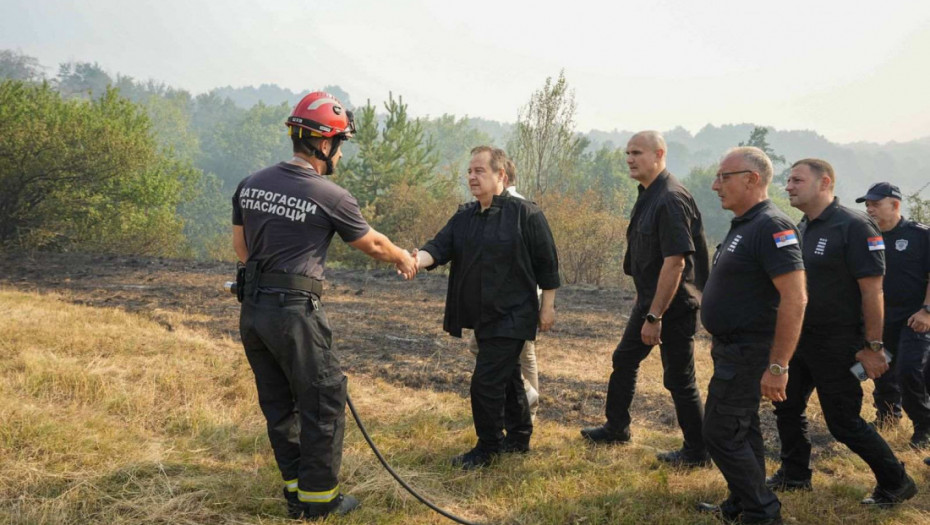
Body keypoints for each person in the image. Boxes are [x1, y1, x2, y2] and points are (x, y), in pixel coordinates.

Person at [232, 91, 417, 519]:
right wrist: (404, 257)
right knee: (323, 399)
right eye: (339, 143)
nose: (339, 153)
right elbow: (371, 243)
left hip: (254, 312)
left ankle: (295, 488)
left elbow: (241, 249)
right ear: (324, 143)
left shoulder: (251, 183)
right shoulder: (329, 194)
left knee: (279, 402)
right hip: (296, 314)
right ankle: (319, 501)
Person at [768, 159, 917, 507]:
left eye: (797, 180)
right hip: (801, 339)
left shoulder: (854, 225)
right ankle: (795, 474)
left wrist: (873, 347)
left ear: (824, 183)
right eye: (788, 180)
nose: (788, 186)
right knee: (786, 406)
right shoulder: (803, 226)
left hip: (838, 344)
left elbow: (873, 292)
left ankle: (896, 481)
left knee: (843, 422)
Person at [414, 146, 560, 469]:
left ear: (501, 176)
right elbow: (439, 247)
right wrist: (414, 260)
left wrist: (547, 306)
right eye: (469, 171)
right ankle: (519, 437)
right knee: (507, 377)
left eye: (480, 171)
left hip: (515, 314)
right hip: (484, 316)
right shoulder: (466, 216)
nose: (471, 176)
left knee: (485, 383)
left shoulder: (526, 214)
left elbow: (547, 263)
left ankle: (488, 447)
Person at [580, 131, 711, 468]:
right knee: (624, 359)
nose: (629, 159)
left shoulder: (670, 198)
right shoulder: (649, 194)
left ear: (659, 154)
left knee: (679, 379)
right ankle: (617, 428)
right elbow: (649, 257)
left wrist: (655, 317)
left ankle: (698, 452)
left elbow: (676, 262)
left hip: (673, 308)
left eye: (637, 152)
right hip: (651, 303)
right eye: (627, 153)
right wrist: (644, 301)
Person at [696, 147, 807, 525]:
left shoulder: (773, 225)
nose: (715, 185)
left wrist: (778, 365)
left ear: (752, 179)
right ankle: (742, 503)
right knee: (742, 430)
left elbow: (795, 297)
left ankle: (763, 513)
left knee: (720, 432)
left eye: (724, 177)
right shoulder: (745, 224)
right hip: (731, 348)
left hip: (751, 349)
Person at [857, 182, 930, 447]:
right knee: (877, 371)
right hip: (879, 320)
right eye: (867, 205)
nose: (870, 209)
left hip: (915, 320)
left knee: (908, 369)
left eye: (875, 204)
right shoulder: (866, 236)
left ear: (895, 205)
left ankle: (924, 427)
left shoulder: (920, 236)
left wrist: (927, 311)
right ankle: (887, 418)